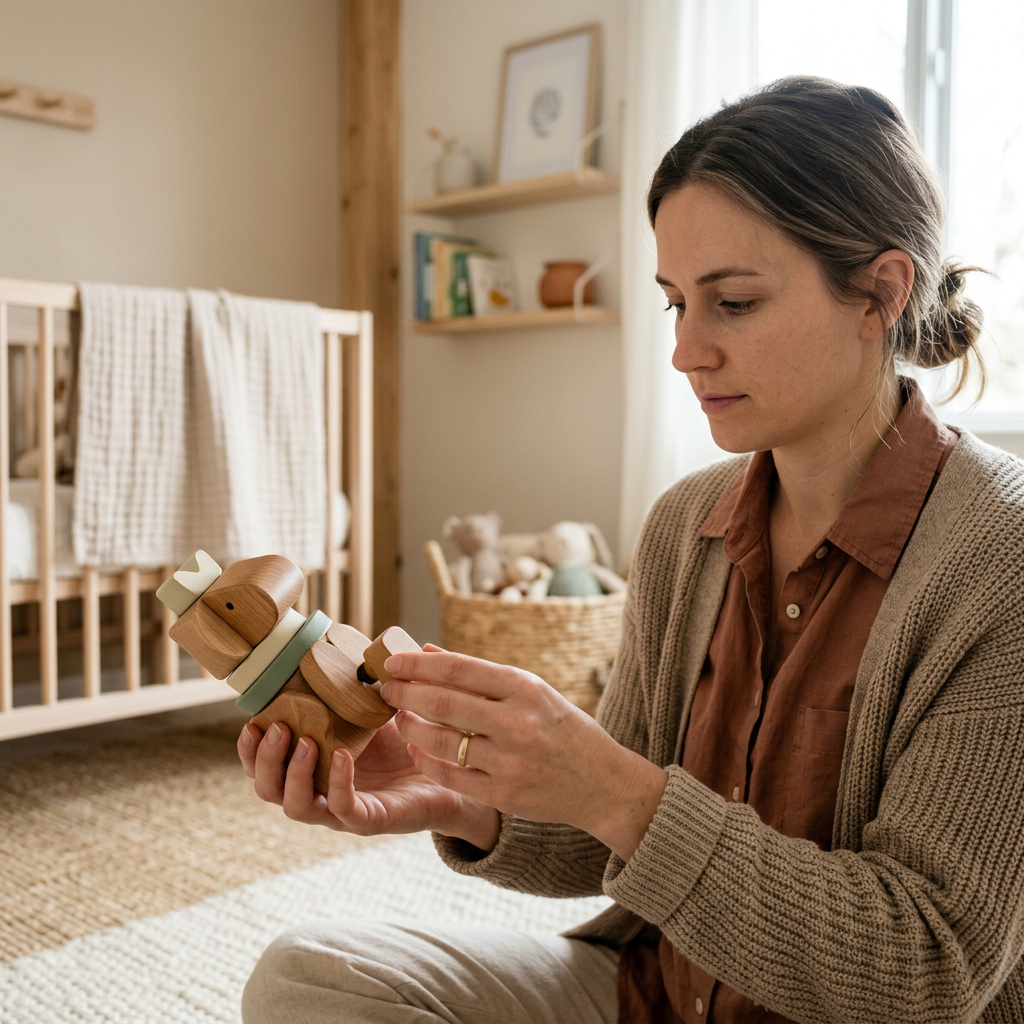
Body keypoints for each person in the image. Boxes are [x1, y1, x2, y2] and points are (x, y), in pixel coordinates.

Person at [237, 77, 1024, 1023]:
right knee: (308, 976)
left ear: (880, 294)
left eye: (732, 303)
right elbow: (606, 847)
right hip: (654, 995)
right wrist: (458, 794)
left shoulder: (999, 560)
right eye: (674, 305)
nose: (688, 350)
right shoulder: (685, 527)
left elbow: (928, 969)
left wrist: (619, 790)